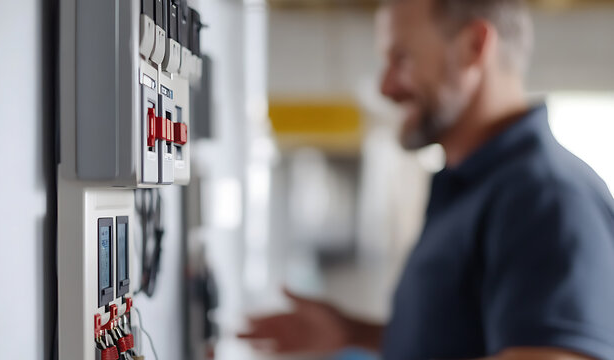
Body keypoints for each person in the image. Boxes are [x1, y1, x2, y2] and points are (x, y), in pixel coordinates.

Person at [239, 0, 614, 359]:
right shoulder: (474, 185)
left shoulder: (544, 195)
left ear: (473, 46)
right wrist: (354, 335)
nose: (385, 86)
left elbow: (553, 357)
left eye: (401, 58)